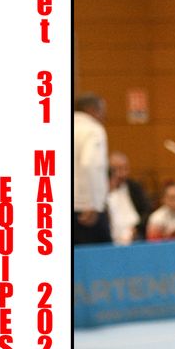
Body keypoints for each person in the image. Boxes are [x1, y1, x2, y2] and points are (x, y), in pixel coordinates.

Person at [73, 94, 110, 245]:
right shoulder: (93, 130)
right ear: (92, 110)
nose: (104, 116)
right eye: (102, 111)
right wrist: (93, 203)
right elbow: (90, 164)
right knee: (101, 255)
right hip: (85, 206)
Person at [107, 151, 151, 244]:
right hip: (111, 235)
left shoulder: (134, 187)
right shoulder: (101, 190)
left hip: (135, 233)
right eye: (118, 169)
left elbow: (146, 210)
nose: (122, 173)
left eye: (125, 169)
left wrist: (136, 228)